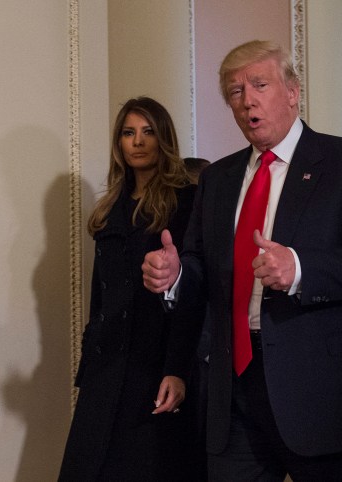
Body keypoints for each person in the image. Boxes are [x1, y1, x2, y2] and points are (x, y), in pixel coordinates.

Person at [142, 40, 342, 481]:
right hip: (235, 393)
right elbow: (202, 265)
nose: (247, 101)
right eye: (235, 92)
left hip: (323, 394)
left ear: (293, 90)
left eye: (259, 84)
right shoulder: (219, 178)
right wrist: (176, 274)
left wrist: (300, 269)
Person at [59, 97, 206, 481]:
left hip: (153, 364)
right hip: (106, 367)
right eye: (128, 133)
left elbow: (195, 294)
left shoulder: (184, 201)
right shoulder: (110, 209)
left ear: (163, 139)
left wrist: (177, 368)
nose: (138, 141)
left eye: (148, 132)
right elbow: (100, 297)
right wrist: (88, 370)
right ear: (119, 143)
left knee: (146, 467)